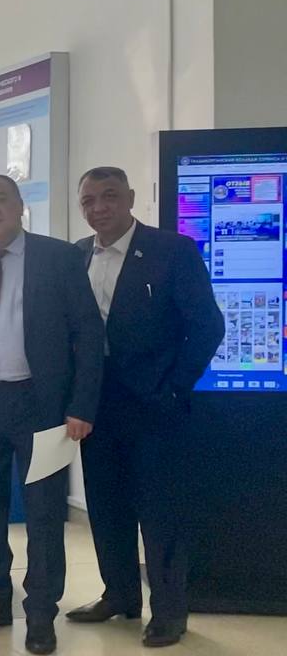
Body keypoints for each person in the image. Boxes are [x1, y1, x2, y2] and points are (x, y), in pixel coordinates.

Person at [0, 174, 104, 655]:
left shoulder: (58, 257)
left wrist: (81, 405)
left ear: (20, 206)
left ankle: (41, 613)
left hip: (42, 405)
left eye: (1, 199)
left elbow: (89, 334)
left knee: (44, 513)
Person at [68, 167, 223, 648]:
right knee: (106, 505)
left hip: (155, 405)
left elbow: (207, 325)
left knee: (160, 513)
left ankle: (170, 612)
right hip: (95, 405)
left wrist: (175, 386)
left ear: (130, 198)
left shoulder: (171, 250)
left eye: (109, 196)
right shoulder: (76, 255)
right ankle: (119, 595)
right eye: (88, 200)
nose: (99, 208)